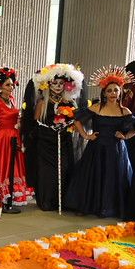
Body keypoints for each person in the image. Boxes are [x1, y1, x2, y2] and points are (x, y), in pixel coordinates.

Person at [65, 66, 135, 219]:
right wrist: (86, 135)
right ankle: (91, 206)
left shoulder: (125, 111)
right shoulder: (97, 107)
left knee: (112, 178)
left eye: (115, 90)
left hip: (117, 150)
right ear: (104, 93)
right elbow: (77, 120)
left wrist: (125, 136)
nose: (113, 93)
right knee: (94, 177)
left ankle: (110, 208)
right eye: (109, 90)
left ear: (121, 92)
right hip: (96, 149)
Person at [31, 64, 84, 211]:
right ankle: (47, 201)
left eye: (61, 83)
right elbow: (36, 122)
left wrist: (67, 125)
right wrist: (49, 128)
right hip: (46, 143)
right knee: (47, 172)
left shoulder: (70, 103)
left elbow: (75, 121)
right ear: (48, 84)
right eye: (55, 83)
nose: (58, 86)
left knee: (64, 169)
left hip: (63, 141)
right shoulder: (42, 102)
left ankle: (62, 200)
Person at [0, 67, 33, 205]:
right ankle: (1, 195)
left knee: (13, 166)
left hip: (14, 137)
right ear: (0, 87)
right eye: (8, 85)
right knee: (2, 166)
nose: (11, 87)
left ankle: (13, 195)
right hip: (1, 139)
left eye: (12, 84)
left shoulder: (12, 100)